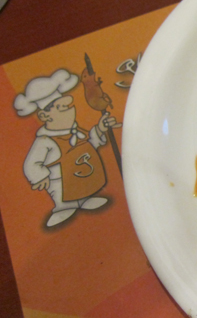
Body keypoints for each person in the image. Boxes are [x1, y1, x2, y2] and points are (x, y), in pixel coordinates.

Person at [14, 69, 121, 227]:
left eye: (69, 106)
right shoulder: (45, 141)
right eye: (63, 108)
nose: (71, 111)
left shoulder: (75, 131)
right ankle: (63, 208)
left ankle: (85, 199)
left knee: (85, 188)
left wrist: (100, 129)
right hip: (61, 181)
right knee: (63, 193)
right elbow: (32, 163)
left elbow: (91, 143)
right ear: (45, 116)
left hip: (86, 175)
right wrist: (40, 176)